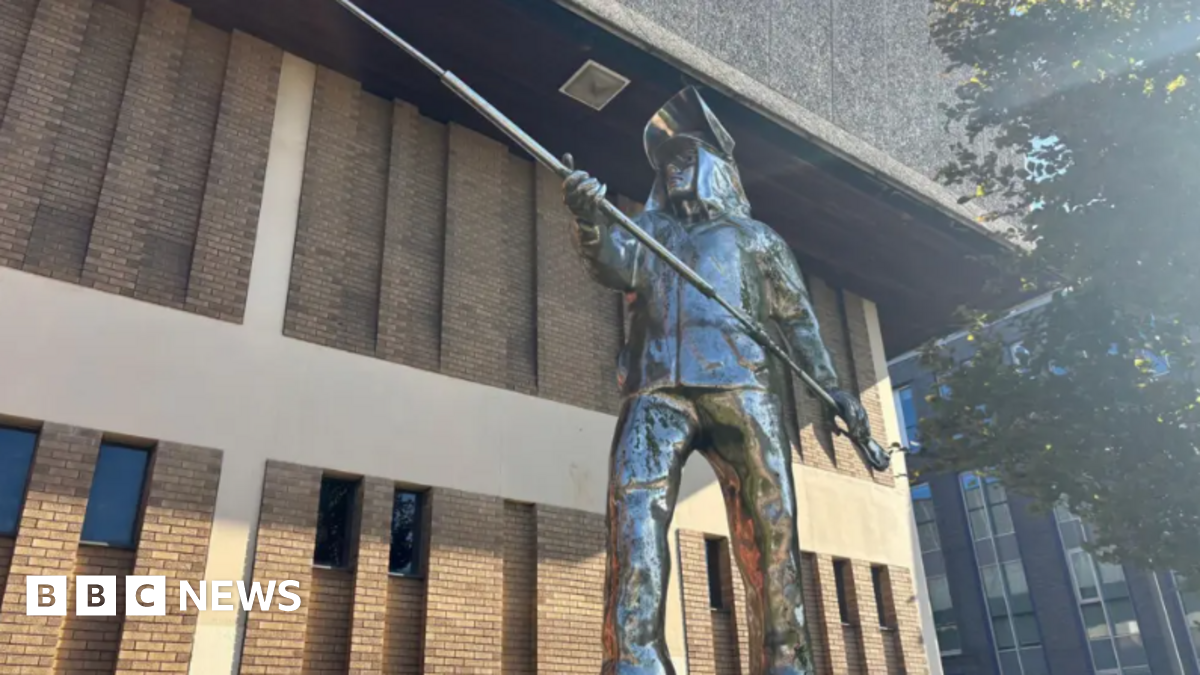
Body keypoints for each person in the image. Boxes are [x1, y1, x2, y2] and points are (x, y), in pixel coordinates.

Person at [562, 87, 874, 675]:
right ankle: (635, 656)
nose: (675, 171)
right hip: (657, 392)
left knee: (770, 523)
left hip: (743, 390)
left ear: (714, 168)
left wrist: (834, 389)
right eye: (668, 164)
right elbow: (609, 261)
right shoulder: (648, 232)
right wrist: (587, 219)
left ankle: (785, 658)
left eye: (686, 159)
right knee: (633, 509)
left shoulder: (757, 240)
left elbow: (800, 325)